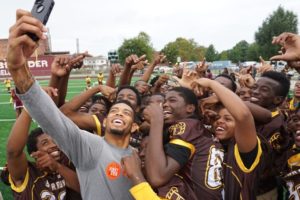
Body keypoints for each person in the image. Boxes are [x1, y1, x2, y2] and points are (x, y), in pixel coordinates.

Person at [7, 9, 139, 199]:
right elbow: (52, 118)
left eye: (126, 112)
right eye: (115, 110)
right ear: (105, 120)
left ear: (134, 126)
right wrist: (19, 69)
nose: (118, 113)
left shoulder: (137, 154)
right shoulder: (90, 146)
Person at [192, 78, 266, 199]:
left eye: (228, 119)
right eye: (217, 118)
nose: (219, 121)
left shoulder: (244, 149)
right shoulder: (213, 143)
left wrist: (211, 83)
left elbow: (243, 115)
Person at [143, 87, 223, 199]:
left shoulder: (185, 126)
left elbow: (157, 177)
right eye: (164, 101)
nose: (165, 104)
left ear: (190, 108)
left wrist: (156, 121)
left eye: (172, 100)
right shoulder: (198, 127)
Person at [6, 109, 81, 199]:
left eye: (55, 141)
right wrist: (28, 105)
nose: (54, 145)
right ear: (34, 153)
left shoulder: (64, 163)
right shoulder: (27, 172)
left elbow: (82, 189)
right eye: (45, 143)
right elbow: (13, 152)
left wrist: (57, 166)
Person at [250, 71, 291, 199]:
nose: (255, 92)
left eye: (264, 90)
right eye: (255, 87)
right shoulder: (253, 116)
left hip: (261, 192)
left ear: (278, 100)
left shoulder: (276, 126)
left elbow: (261, 164)